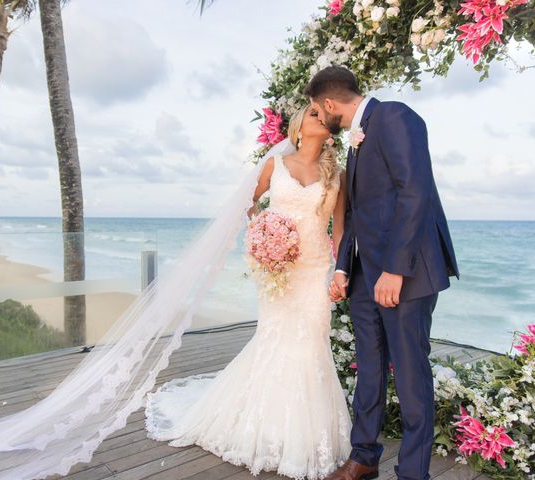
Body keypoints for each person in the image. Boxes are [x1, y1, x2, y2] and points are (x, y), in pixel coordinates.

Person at [144, 105, 353, 479]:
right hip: (278, 268)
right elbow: (249, 202)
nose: (320, 118)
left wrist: (340, 272)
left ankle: (304, 438)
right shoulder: (276, 166)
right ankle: (267, 430)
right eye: (312, 114)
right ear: (298, 127)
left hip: (315, 269)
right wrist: (263, 234)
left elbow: (339, 230)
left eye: (324, 116)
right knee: (276, 339)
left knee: (312, 342)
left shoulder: (337, 174)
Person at [306, 66, 459, 480]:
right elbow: (356, 215)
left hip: (404, 275)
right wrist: (342, 268)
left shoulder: (393, 116)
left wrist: (394, 270)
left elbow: (416, 191)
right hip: (364, 278)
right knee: (369, 368)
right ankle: (364, 457)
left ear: (330, 104)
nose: (320, 119)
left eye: (319, 113)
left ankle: (413, 474)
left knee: (411, 376)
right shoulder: (358, 140)